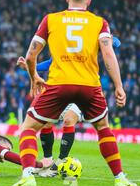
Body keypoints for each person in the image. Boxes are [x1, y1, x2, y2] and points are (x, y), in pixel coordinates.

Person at [8, 0, 137, 186]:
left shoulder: (51, 20)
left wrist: (34, 77)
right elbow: (108, 54)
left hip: (59, 83)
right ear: (89, 0)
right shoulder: (99, 23)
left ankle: (28, 176)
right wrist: (119, 86)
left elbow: (31, 55)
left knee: (29, 128)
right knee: (103, 129)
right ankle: (120, 178)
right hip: (89, 85)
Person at [16, 35, 121, 177]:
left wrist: (106, 39)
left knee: (69, 119)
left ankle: (60, 161)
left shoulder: (88, 37)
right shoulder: (63, 46)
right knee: (46, 124)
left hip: (85, 87)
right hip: (62, 88)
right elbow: (50, 63)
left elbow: (116, 44)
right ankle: (47, 161)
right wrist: (28, 67)